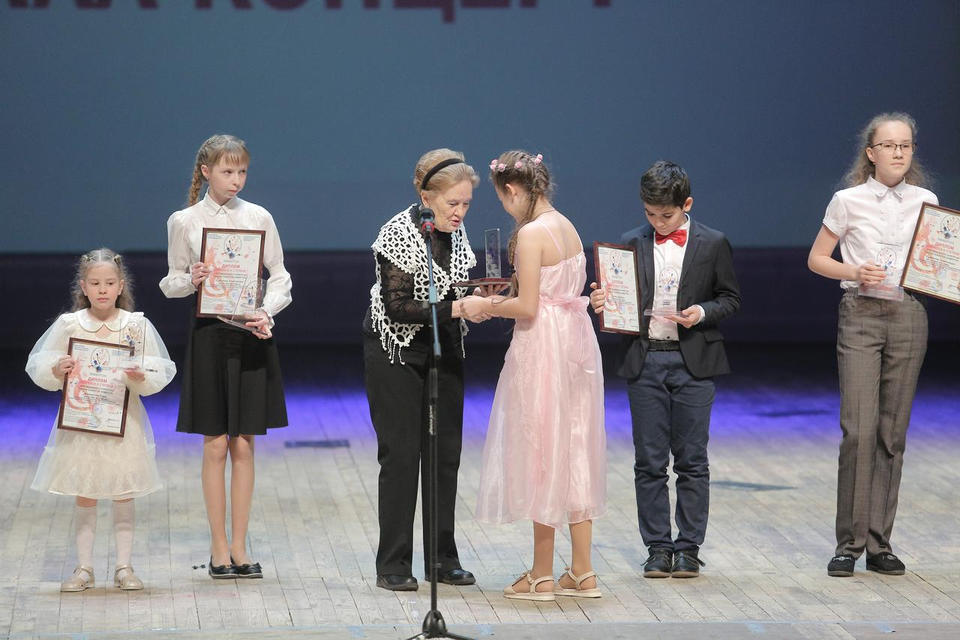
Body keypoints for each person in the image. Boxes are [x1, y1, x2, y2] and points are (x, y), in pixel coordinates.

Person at [589, 160, 740, 579]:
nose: (657, 222)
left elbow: (730, 298)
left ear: (686, 205)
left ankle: (688, 547)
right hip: (646, 360)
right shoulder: (629, 242)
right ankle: (658, 546)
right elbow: (619, 298)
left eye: (666, 216)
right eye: (650, 214)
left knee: (692, 460)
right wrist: (604, 302)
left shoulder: (713, 242)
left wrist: (701, 312)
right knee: (649, 462)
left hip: (694, 363)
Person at [807, 113, 937, 578]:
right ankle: (849, 544)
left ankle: (880, 543)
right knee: (859, 430)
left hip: (908, 312)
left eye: (906, 145)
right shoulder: (848, 200)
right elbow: (817, 258)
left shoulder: (926, 201)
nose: (898, 152)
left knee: (891, 433)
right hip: (861, 313)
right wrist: (854, 271)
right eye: (889, 145)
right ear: (871, 152)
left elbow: (937, 259)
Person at [475, 151, 606, 601]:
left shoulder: (531, 234)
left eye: (503, 200)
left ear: (513, 190)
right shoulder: (567, 225)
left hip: (544, 346)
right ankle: (583, 571)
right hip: (575, 342)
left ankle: (542, 573)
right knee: (575, 447)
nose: (506, 209)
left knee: (542, 450)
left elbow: (528, 306)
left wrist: (484, 305)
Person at [160, 134, 292, 579]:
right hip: (210, 335)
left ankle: (240, 546)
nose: (236, 180)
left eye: (242, 172)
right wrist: (192, 279)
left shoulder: (258, 216)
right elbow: (171, 282)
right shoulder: (185, 221)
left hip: (250, 334)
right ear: (206, 172)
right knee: (216, 443)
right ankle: (218, 547)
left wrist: (266, 311)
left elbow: (280, 276)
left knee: (244, 443)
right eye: (227, 171)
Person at [362, 148, 491, 591]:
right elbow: (397, 307)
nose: (460, 212)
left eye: (466, 204)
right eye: (453, 203)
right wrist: (458, 307)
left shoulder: (456, 233)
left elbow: (457, 286)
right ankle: (393, 563)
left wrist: (482, 297)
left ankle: (442, 558)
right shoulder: (397, 233)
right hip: (396, 351)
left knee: (445, 455)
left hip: (443, 346)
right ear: (426, 197)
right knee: (401, 456)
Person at [27, 248, 176, 592]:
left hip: (122, 424)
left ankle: (124, 566)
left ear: (121, 285)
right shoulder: (70, 325)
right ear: (84, 286)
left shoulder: (135, 326)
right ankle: (84, 568)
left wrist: (140, 375)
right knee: (86, 493)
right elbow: (41, 363)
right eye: (95, 283)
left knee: (123, 493)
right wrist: (58, 368)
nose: (103, 289)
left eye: (109, 282)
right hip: (82, 425)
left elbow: (158, 370)